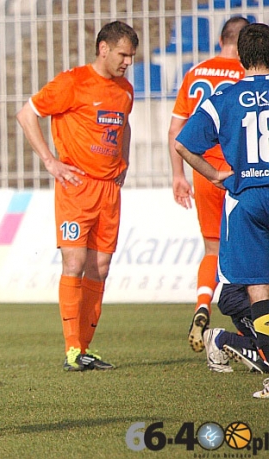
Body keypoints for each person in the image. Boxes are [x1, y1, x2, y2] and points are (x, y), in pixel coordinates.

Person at [16, 21, 138, 371]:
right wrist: (50, 162)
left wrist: (124, 163)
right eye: (123, 54)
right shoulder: (72, 82)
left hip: (108, 190)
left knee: (100, 266)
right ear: (103, 48)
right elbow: (27, 114)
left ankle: (85, 348)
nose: (127, 61)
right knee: (74, 263)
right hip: (76, 187)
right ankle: (72, 349)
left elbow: (124, 124)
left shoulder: (125, 90)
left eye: (131, 56)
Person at [175, 22, 269, 398]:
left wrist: (216, 174)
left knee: (259, 289)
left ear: (242, 59)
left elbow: (183, 144)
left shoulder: (225, 98)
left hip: (246, 198)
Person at [167, 16, 250, 353]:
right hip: (236, 170)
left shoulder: (195, 73)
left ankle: (203, 304)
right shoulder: (250, 74)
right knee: (250, 249)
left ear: (220, 40)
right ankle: (251, 329)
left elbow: (176, 132)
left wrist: (178, 175)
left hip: (201, 170)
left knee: (212, 248)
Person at [203, 283, 269, 373]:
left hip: (245, 296)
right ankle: (223, 339)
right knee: (265, 358)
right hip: (242, 298)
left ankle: (246, 342)